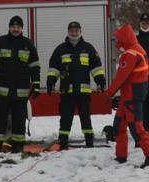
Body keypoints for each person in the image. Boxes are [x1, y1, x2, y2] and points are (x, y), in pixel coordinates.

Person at [46, 21, 106, 149]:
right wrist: (51, 82)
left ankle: (89, 143)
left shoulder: (88, 48)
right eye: (72, 31)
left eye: (76, 31)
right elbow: (53, 68)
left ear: (80, 31)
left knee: (86, 117)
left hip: (83, 92)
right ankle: (63, 143)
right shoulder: (60, 49)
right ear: (68, 32)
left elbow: (96, 68)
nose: (74, 33)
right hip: (67, 92)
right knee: (65, 118)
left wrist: (100, 81)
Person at [0, 16, 40, 154]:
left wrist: (37, 84)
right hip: (3, 91)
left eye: (18, 27)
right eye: (13, 26)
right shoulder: (1, 41)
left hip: (21, 92)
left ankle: (17, 150)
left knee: (19, 121)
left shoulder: (27, 44)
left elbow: (34, 66)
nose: (16, 29)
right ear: (9, 27)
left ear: (22, 28)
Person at [104, 24, 149, 167]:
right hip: (130, 94)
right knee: (119, 125)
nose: (118, 44)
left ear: (125, 39)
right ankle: (121, 156)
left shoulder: (130, 54)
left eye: (119, 40)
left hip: (132, 95)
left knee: (137, 128)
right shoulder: (138, 49)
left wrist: (108, 94)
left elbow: (120, 77)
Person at [138, 14, 149, 133]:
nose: (145, 23)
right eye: (143, 22)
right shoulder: (136, 39)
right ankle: (144, 127)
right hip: (140, 77)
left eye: (147, 21)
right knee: (142, 102)